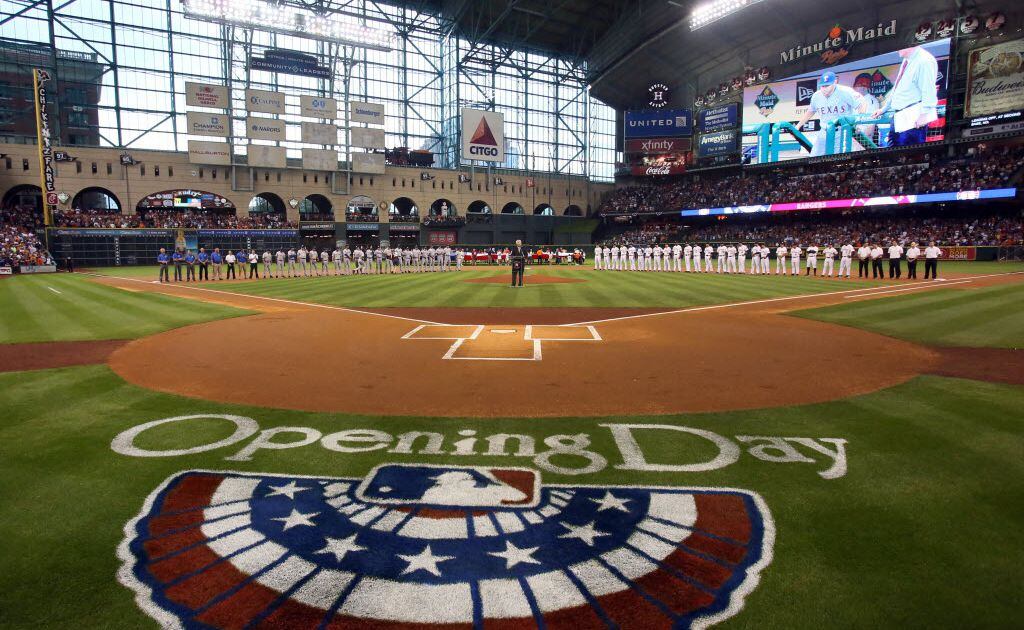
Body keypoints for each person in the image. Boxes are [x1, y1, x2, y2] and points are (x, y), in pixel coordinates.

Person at [873, 44, 939, 147]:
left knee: (909, 157)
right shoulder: (907, 59)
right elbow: (898, 88)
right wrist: (884, 108)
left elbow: (929, 91)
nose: (896, 49)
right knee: (892, 155)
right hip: (899, 117)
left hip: (913, 120)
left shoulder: (924, 60)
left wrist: (924, 115)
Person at [795, 71, 867, 157]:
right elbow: (811, 111)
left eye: (827, 85)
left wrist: (859, 122)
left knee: (838, 159)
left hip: (842, 131)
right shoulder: (816, 96)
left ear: (835, 82)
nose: (824, 88)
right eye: (822, 86)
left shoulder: (845, 91)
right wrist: (798, 125)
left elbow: (862, 103)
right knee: (814, 158)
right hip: (824, 131)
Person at [851, 73, 881, 150]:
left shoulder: (872, 101)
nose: (855, 88)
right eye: (858, 84)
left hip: (862, 140)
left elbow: (870, 127)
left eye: (858, 85)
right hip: (849, 139)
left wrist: (863, 139)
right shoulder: (852, 99)